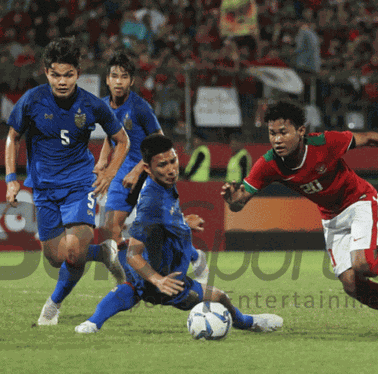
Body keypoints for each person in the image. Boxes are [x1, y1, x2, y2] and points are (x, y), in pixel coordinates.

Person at [221, 100, 378, 340]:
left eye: (283, 133)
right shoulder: (268, 165)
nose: (277, 140)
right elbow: (238, 203)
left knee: (364, 264)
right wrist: (232, 199)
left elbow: (369, 138)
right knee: (351, 285)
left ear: (301, 131)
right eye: (272, 133)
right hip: (331, 218)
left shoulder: (324, 143)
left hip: (359, 201)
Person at [75, 134, 283, 334]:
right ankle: (92, 321)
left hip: (170, 270)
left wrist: (183, 222)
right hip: (160, 276)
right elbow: (133, 254)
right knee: (134, 289)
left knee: (219, 296)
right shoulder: (151, 202)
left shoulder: (165, 188)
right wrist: (158, 280)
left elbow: (164, 221)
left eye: (173, 161)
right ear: (147, 168)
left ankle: (247, 321)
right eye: (162, 165)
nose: (172, 169)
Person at [5, 37, 131, 326]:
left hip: (79, 185)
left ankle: (53, 304)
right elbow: (12, 137)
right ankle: (104, 253)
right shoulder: (33, 100)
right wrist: (11, 179)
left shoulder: (91, 104)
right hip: (44, 188)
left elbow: (122, 140)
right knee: (56, 258)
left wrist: (109, 174)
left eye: (69, 74)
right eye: (56, 75)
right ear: (46, 72)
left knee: (74, 252)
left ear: (78, 72)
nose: (62, 81)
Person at [95, 51, 209, 282]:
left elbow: (160, 141)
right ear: (107, 79)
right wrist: (102, 162)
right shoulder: (103, 106)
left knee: (162, 228)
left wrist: (140, 168)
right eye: (114, 76)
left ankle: (195, 256)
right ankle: (129, 281)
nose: (119, 81)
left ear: (132, 81)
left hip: (148, 172)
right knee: (111, 227)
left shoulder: (140, 107)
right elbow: (111, 136)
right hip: (121, 171)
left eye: (124, 77)